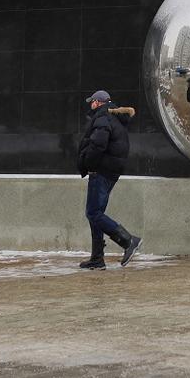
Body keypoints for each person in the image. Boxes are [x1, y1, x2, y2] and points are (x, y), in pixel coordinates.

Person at [75, 90, 143, 269]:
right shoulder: (113, 118)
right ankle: (97, 259)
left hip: (101, 171)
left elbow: (98, 145)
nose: (91, 105)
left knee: (93, 213)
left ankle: (128, 240)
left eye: (92, 102)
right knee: (96, 214)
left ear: (98, 102)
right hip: (110, 172)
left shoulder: (103, 118)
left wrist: (88, 163)